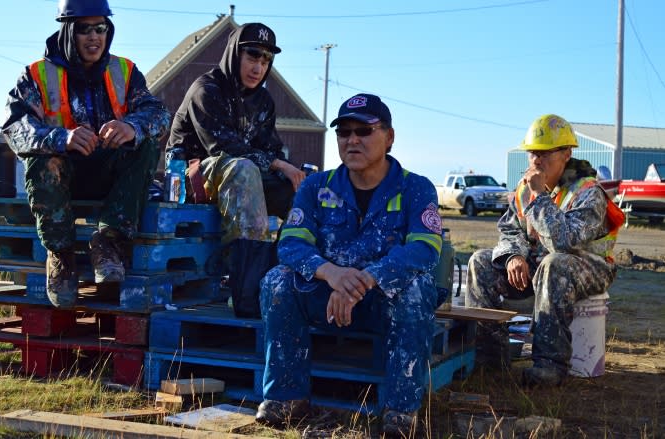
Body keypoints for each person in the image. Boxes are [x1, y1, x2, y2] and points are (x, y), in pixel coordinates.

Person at [256, 94, 444, 435]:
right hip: (327, 297)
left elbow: (425, 249)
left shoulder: (416, 188)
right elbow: (292, 243)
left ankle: (400, 410)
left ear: (389, 137)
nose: (352, 139)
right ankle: (287, 399)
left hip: (382, 301)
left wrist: (367, 279)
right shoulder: (316, 186)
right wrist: (332, 273)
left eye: (364, 130)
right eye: (344, 132)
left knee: (418, 286)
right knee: (277, 280)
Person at [2, 0, 171, 308]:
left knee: (146, 143)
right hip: (62, 178)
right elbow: (15, 128)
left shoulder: (125, 71)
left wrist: (131, 126)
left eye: (101, 28)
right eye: (84, 29)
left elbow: (158, 112)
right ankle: (61, 256)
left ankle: (108, 243)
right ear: (68, 31)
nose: (94, 37)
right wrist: (60, 138)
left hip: (110, 177)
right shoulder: (35, 76)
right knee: (41, 159)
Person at [465, 114, 625, 386]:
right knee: (480, 261)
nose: (537, 160)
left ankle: (549, 366)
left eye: (545, 153)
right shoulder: (523, 190)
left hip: (588, 266)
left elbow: (565, 243)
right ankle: (488, 360)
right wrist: (513, 255)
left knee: (555, 263)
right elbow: (510, 229)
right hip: (540, 264)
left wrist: (539, 197)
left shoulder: (587, 192)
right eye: (532, 154)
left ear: (566, 154)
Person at [166, 23, 304, 317]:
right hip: (188, 177)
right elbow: (222, 147)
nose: (258, 67)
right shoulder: (206, 89)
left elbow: (271, 149)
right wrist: (278, 164)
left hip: (241, 176)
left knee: (303, 184)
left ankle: (288, 280)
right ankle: (247, 294)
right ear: (234, 54)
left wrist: (290, 172)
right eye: (252, 56)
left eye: (266, 60)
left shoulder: (263, 101)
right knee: (244, 169)